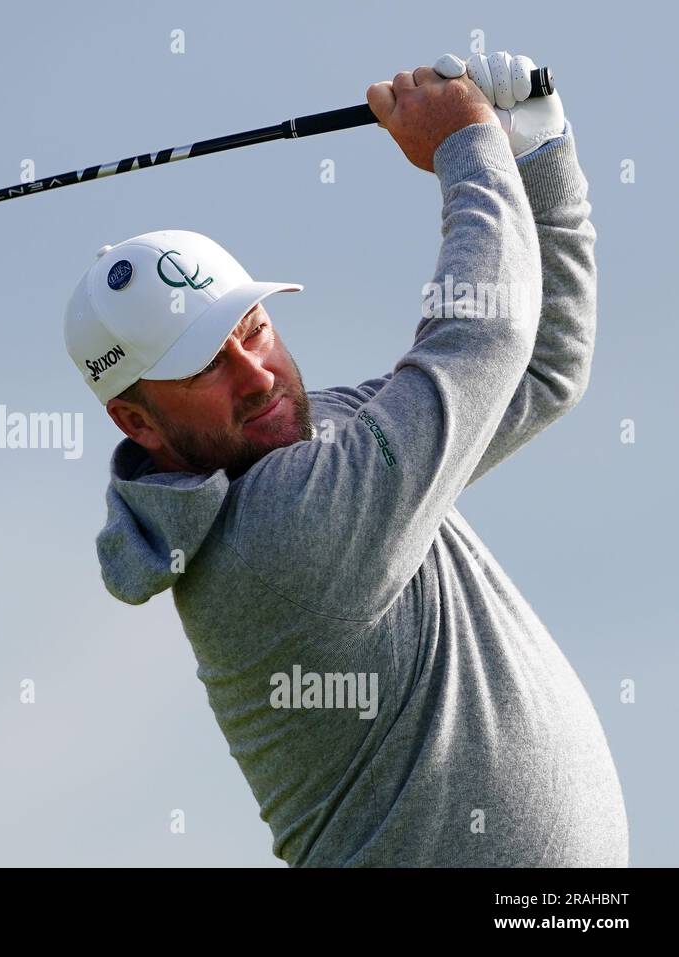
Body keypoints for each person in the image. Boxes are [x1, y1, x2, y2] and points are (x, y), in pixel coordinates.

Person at [61, 52, 627, 866]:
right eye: (203, 365)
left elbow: (538, 368)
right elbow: (483, 337)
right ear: (136, 420)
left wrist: (537, 156)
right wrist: (468, 144)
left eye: (250, 329)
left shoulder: (332, 439)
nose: (254, 374)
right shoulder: (278, 531)